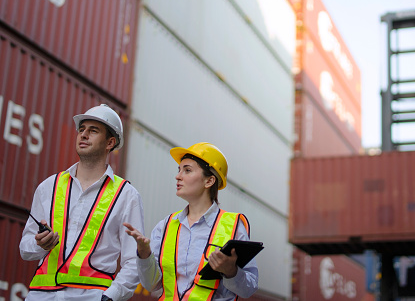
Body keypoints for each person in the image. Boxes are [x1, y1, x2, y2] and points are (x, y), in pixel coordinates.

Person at [19, 104, 145, 301]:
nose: (83, 135)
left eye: (93, 131)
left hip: (92, 296)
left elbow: (133, 261)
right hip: (40, 295)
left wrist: (110, 297)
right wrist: (39, 245)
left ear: (110, 142)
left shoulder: (127, 196)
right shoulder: (48, 187)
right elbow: (25, 249)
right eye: (81, 129)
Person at [124, 142, 258, 300]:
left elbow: (249, 288)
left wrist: (231, 272)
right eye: (179, 170)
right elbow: (151, 284)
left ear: (209, 181)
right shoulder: (166, 225)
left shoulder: (233, 226)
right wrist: (144, 255)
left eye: (187, 170)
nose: (178, 176)